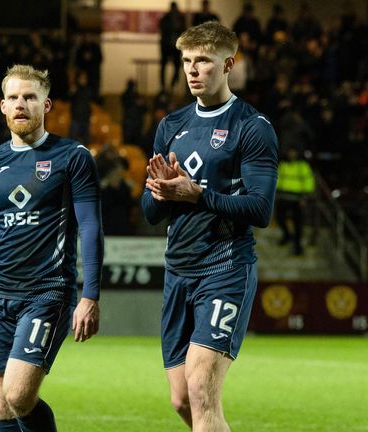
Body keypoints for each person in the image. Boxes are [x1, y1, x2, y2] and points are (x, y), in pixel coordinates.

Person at [0, 64, 103, 432]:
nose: (21, 104)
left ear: (47, 105)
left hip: (46, 293)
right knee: (1, 404)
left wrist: (90, 294)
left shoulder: (72, 157)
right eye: (13, 98)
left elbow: (91, 226)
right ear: (2, 106)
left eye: (30, 97)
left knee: (18, 395)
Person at [141, 22, 278, 431]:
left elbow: (261, 209)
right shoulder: (171, 126)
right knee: (182, 399)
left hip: (225, 269)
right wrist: (163, 192)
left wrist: (198, 195)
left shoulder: (252, 127)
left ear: (228, 64)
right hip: (177, 271)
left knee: (201, 388)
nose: (192, 70)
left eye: (203, 60)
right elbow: (149, 210)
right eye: (186, 61)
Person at [275, 146, 315, 255]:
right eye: (290, 152)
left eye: (293, 152)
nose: (291, 154)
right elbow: (277, 179)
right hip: (283, 197)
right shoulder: (283, 165)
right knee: (279, 218)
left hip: (298, 198)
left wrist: (305, 197)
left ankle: (298, 247)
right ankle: (287, 235)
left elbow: (309, 182)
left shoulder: (303, 166)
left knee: (298, 224)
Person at [159, 2, 186, 92]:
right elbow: (162, 29)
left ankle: (172, 85)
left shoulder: (180, 19)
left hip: (175, 47)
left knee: (177, 66)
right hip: (166, 46)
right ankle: (164, 86)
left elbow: (184, 31)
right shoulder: (166, 18)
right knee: (163, 66)